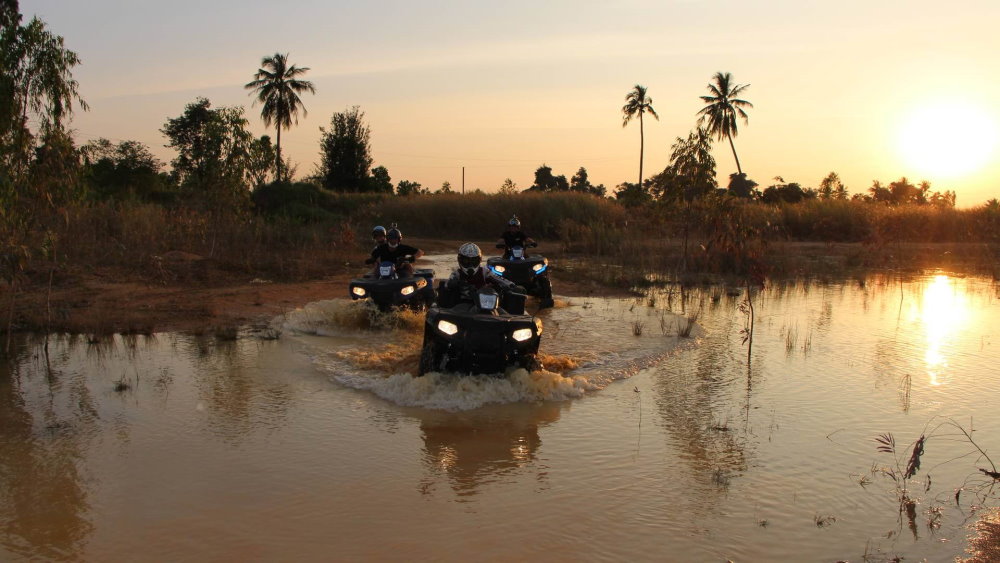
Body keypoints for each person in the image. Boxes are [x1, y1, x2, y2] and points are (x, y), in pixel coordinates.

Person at [438, 243, 522, 307]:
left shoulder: (484, 271)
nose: (470, 264)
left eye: (473, 261)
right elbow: (447, 284)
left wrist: (511, 285)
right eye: (466, 261)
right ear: (460, 260)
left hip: (487, 305)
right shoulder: (457, 273)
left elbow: (499, 279)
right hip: (463, 305)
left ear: (479, 260)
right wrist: (454, 284)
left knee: (502, 312)